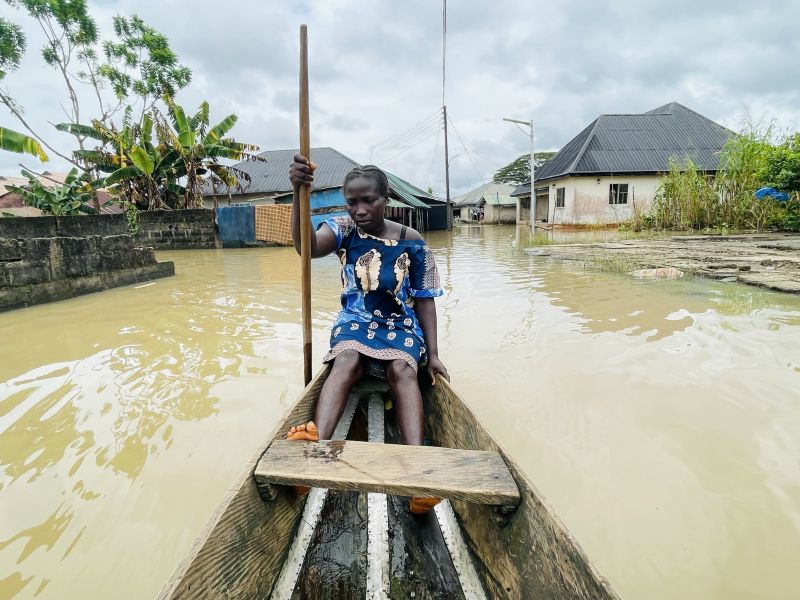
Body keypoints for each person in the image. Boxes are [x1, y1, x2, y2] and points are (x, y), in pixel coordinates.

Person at [287, 154, 450, 515]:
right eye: (352, 201)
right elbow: (306, 248)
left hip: (399, 324)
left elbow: (424, 300)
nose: (359, 209)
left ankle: (417, 475)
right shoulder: (343, 229)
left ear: (385, 198)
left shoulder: (412, 240)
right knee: (346, 359)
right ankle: (316, 446)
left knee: (403, 371)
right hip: (355, 320)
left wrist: (434, 353)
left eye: (368, 200)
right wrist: (298, 193)